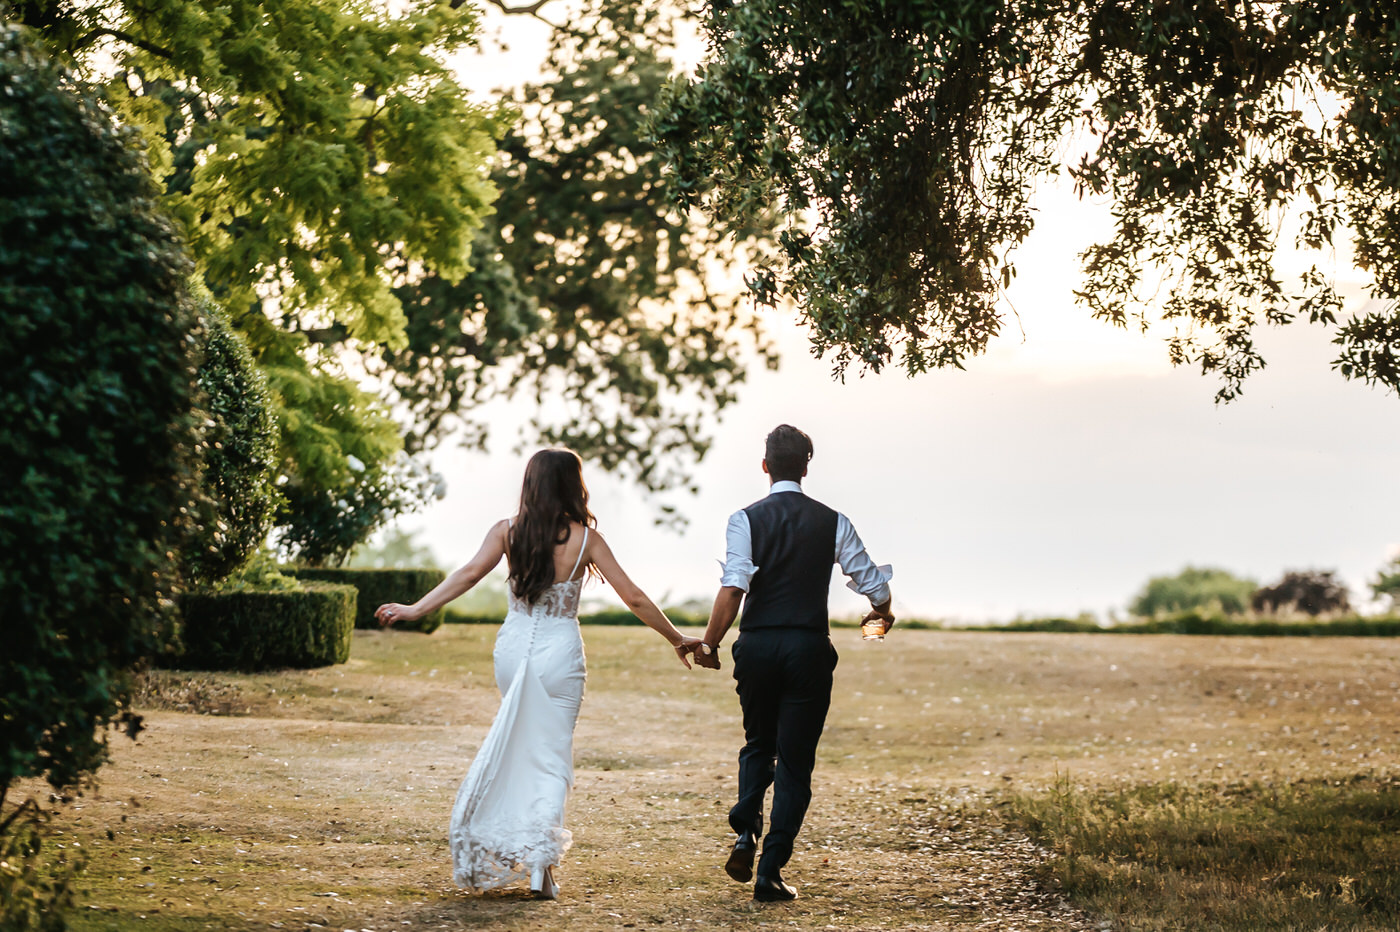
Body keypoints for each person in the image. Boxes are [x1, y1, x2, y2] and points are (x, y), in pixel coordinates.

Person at [375, 449, 702, 900]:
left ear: (530, 483)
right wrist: (676, 637)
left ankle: (532, 857)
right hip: (559, 654)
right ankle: (540, 866)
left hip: (512, 650)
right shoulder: (587, 539)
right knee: (551, 757)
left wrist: (414, 609)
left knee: (521, 746)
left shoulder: (507, 531)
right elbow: (635, 597)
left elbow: (469, 574)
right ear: (573, 484)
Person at [692, 424, 893, 902]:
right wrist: (881, 613)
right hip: (806, 648)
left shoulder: (744, 519)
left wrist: (711, 643)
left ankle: (745, 831)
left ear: (765, 466)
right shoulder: (832, 521)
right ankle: (770, 870)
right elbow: (873, 584)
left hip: (757, 646)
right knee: (796, 762)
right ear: (806, 466)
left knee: (757, 743)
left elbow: (734, 585)